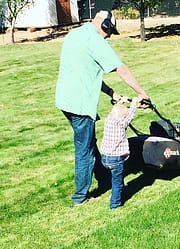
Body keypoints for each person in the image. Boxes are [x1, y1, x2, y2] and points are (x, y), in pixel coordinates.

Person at [55, 10, 149, 207]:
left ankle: (104, 178)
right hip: (80, 104)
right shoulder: (96, 40)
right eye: (110, 31)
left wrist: (112, 93)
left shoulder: (76, 34)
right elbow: (120, 68)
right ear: (104, 25)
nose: (109, 36)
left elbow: (87, 72)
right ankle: (80, 197)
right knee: (84, 150)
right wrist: (142, 93)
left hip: (65, 99)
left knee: (88, 141)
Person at [100, 98, 140, 209]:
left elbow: (114, 111)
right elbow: (130, 116)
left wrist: (120, 102)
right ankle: (115, 204)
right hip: (116, 159)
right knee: (117, 181)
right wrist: (133, 104)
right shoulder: (122, 124)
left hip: (104, 158)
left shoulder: (108, 120)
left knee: (115, 177)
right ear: (123, 117)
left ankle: (118, 191)